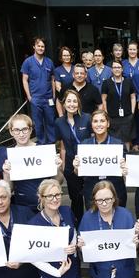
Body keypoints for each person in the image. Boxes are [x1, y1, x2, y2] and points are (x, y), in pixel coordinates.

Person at [78, 180, 138, 278]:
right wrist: (81, 245)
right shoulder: (87, 218)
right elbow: (83, 245)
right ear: (94, 200)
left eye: (108, 199)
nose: (104, 203)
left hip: (124, 267)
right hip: (101, 269)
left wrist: (136, 242)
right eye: (100, 200)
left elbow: (133, 243)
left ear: (114, 198)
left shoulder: (125, 215)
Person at [29, 179, 87, 278]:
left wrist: (74, 246)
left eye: (57, 194)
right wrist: (56, 272)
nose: (55, 199)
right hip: (53, 277)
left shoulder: (67, 211)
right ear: (41, 197)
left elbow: (72, 231)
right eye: (49, 196)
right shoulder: (35, 224)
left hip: (73, 269)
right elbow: (32, 256)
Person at [3, 114, 62, 212]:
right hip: (23, 206)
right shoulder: (8, 155)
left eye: (24, 129)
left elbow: (59, 181)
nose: (21, 134)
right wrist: (6, 174)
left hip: (48, 204)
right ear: (11, 131)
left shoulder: (43, 151)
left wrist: (57, 169)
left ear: (30, 130)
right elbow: (9, 189)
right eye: (17, 130)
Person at [73, 110, 128, 209]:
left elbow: (126, 172)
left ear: (108, 123)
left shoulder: (118, 144)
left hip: (115, 191)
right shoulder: (84, 145)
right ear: (91, 124)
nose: (99, 124)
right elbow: (78, 173)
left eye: (102, 121)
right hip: (91, 192)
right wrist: (76, 168)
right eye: (95, 121)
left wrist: (125, 169)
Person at [55, 90, 92, 222]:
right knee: (75, 198)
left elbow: (94, 140)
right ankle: (78, 225)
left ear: (79, 103)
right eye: (69, 101)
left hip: (88, 164)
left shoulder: (87, 118)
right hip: (71, 166)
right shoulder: (59, 122)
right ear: (64, 104)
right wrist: (64, 167)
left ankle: (91, 224)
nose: (72, 104)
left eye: (75, 101)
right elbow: (62, 146)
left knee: (90, 197)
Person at [21, 37, 55, 144]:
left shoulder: (49, 62)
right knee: (38, 124)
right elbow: (25, 80)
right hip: (36, 99)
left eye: (42, 46)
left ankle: (52, 144)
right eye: (39, 46)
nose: (41, 48)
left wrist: (53, 95)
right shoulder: (28, 62)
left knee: (50, 122)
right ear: (34, 47)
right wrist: (30, 97)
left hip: (48, 98)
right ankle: (42, 144)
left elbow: (53, 79)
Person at [102, 59, 136, 150]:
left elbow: (133, 97)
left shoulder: (128, 82)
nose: (117, 69)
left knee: (127, 140)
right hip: (112, 117)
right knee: (113, 141)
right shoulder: (106, 83)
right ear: (111, 69)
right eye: (114, 67)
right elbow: (104, 99)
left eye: (119, 67)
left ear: (122, 69)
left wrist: (132, 112)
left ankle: (127, 157)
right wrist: (106, 113)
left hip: (127, 116)